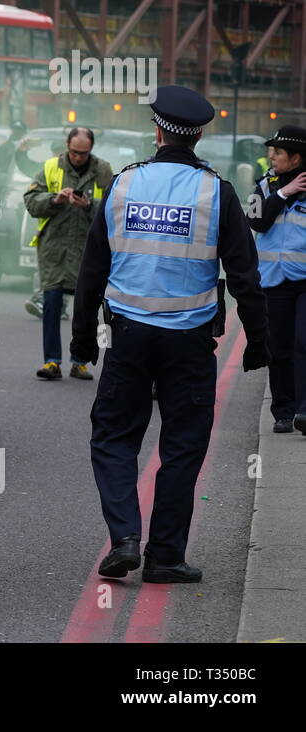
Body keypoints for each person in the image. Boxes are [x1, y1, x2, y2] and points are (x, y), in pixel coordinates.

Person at [70, 85, 269, 584]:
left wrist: (81, 341)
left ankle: (124, 538)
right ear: (198, 135)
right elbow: (245, 275)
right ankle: (164, 558)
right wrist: (262, 344)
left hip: (129, 334)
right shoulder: (216, 192)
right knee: (182, 445)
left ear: (156, 131)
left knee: (115, 437)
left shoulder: (123, 184)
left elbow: (92, 270)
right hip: (190, 340)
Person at [24, 127, 113, 380]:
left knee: (86, 310)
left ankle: (80, 361)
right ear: (67, 146)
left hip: (89, 250)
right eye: (74, 152)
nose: (78, 157)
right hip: (55, 249)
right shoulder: (52, 166)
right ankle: (51, 361)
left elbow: (115, 208)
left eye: (83, 154)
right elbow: (31, 201)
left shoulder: (103, 170)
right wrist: (55, 199)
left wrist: (89, 206)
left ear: (91, 150)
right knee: (51, 306)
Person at [248, 125, 306, 435]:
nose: (271, 156)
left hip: (304, 280)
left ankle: (304, 409)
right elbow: (255, 220)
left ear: (296, 158)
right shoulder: (264, 186)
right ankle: (283, 412)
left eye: (278, 152)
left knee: (304, 341)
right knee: (279, 348)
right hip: (274, 279)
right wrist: (284, 193)